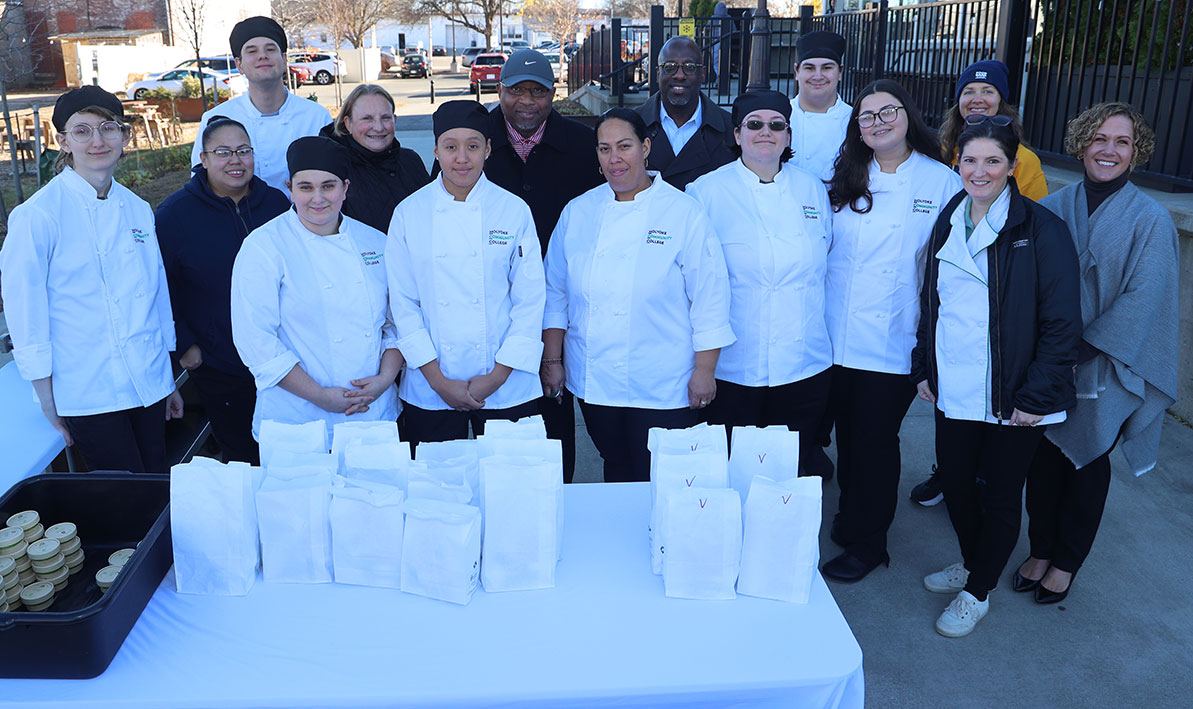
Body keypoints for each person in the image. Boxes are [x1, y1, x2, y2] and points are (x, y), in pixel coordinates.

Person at [910, 116, 1081, 637]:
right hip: (956, 385)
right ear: (956, 163)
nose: (979, 171)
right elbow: (931, 302)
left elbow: (1061, 321)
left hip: (1017, 392)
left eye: (992, 161)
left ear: (1011, 166)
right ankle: (973, 561)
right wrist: (926, 367)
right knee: (959, 483)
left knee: (1002, 495)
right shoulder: (949, 216)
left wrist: (1038, 394)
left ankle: (978, 591)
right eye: (969, 160)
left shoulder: (1041, 229)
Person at [1016, 103, 1179, 604]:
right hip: (1050, 359)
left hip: (1105, 362)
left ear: (1136, 152)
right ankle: (1040, 548)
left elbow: (1146, 298)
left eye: (1122, 142)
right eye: (1100, 139)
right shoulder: (1055, 206)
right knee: (1041, 462)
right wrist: (1047, 349)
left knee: (1087, 462)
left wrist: (1077, 349)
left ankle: (1066, 561)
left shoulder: (1151, 219)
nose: (1109, 150)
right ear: (1082, 143)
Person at [819, 80, 963, 583]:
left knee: (873, 443)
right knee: (844, 437)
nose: (877, 122)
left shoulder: (941, 182)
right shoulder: (841, 177)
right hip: (833, 335)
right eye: (866, 116)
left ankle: (869, 544)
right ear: (856, 127)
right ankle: (852, 518)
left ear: (909, 117)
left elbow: (948, 270)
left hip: (894, 340)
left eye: (888, 112)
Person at [542, 108, 734, 483]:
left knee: (662, 476)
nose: (615, 158)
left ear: (645, 148)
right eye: (604, 148)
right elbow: (555, 293)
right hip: (597, 379)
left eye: (625, 146)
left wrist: (705, 372)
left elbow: (710, 298)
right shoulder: (578, 212)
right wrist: (552, 360)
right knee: (615, 464)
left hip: (665, 380)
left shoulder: (683, 212)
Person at [0, 86, 183, 472]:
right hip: (86, 390)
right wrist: (45, 396)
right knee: (123, 503)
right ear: (62, 141)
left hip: (147, 383)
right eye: (82, 131)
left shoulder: (136, 208)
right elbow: (24, 310)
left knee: (158, 483)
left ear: (124, 136)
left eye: (108, 128)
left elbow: (155, 295)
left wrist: (164, 381)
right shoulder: (38, 216)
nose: (97, 141)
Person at [911, 59, 1051, 505]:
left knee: (992, 402)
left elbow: (1035, 224)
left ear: (1002, 101)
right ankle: (949, 474)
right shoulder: (938, 149)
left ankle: (983, 480)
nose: (977, 99)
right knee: (955, 409)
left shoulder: (1023, 160)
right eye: (969, 91)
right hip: (950, 279)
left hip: (1000, 290)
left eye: (987, 93)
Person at [686, 90, 833, 475]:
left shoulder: (812, 189)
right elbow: (694, 285)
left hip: (803, 365)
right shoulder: (705, 193)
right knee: (733, 470)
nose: (765, 132)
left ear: (788, 136)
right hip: (735, 368)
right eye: (754, 124)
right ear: (737, 134)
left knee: (792, 472)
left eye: (776, 125)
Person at [386, 101, 545, 445]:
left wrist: (497, 376)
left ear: (488, 149)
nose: (462, 157)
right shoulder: (409, 213)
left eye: (472, 146)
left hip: (505, 384)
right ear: (436, 150)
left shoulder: (513, 210)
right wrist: (438, 381)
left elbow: (530, 301)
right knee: (438, 491)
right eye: (451, 146)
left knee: (511, 484)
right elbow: (402, 303)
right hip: (431, 386)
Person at [231, 136, 401, 438]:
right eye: (305, 187)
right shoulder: (264, 246)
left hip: (371, 412)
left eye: (329, 186)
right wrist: (320, 396)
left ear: (346, 188)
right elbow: (256, 340)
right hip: (296, 417)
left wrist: (385, 380)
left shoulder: (376, 242)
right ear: (290, 189)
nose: (318, 198)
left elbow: (397, 324)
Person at [485, 48, 603, 483]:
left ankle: (557, 494)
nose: (527, 101)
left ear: (554, 94)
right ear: (501, 90)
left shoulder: (578, 144)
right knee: (499, 408)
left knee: (553, 402)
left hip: (559, 300)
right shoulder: (477, 137)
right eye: (517, 90)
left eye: (538, 91)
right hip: (491, 299)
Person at [156, 117, 291, 465]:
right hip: (221, 363)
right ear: (203, 159)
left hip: (283, 358)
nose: (236, 160)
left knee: (288, 450)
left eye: (243, 151)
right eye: (223, 152)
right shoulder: (175, 215)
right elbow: (160, 287)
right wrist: (185, 346)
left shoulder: (276, 204)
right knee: (243, 456)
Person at [191, 16, 331, 193]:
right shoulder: (216, 119)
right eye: (252, 51)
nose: (262, 56)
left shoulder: (316, 116)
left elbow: (332, 180)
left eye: (270, 49)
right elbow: (200, 184)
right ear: (239, 64)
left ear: (284, 59)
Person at [319, 84, 430, 232]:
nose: (378, 127)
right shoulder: (333, 170)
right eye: (367, 118)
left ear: (394, 120)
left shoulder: (410, 161)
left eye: (385, 118)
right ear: (348, 123)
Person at [636, 36, 735, 189]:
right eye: (670, 67)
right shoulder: (633, 127)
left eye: (689, 67)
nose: (680, 75)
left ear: (702, 74)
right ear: (657, 74)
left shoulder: (731, 131)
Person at [788, 30, 853, 181]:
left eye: (827, 68)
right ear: (797, 71)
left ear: (840, 72)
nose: (818, 76)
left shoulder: (855, 120)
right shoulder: (779, 118)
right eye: (809, 68)